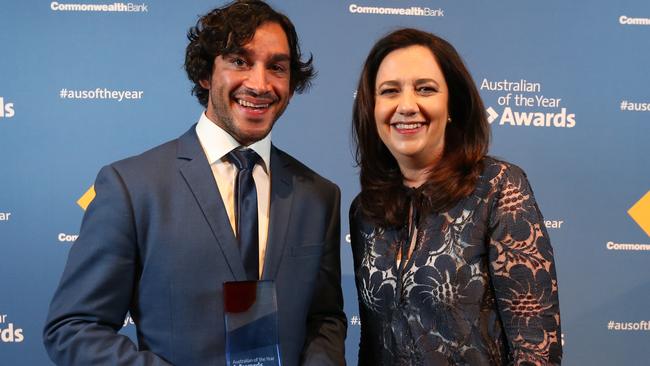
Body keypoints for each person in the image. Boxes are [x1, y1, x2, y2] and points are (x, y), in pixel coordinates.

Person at [43, 1, 346, 365]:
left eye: (277, 68)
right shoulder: (131, 186)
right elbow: (74, 327)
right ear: (206, 74)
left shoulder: (319, 195)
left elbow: (324, 318)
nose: (260, 83)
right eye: (240, 61)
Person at [350, 28, 562, 365]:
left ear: (452, 105)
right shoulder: (365, 210)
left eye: (425, 89)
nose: (407, 105)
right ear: (372, 108)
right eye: (390, 91)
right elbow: (372, 343)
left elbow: (536, 349)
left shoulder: (498, 187)